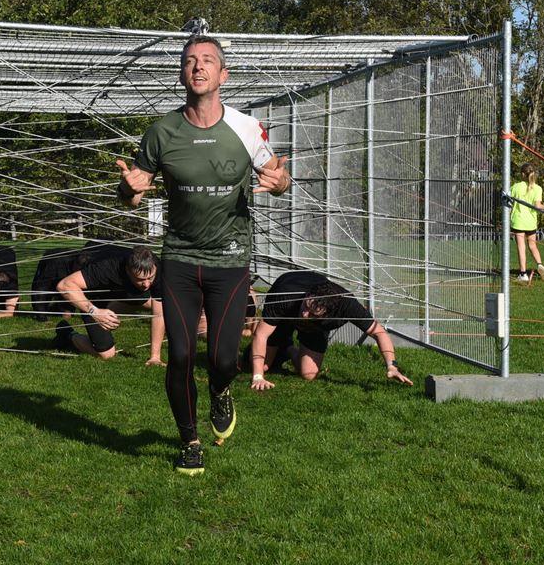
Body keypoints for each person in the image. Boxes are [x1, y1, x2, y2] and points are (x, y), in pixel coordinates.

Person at [116, 33, 290, 475]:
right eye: (190, 60)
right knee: (179, 356)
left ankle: (220, 389)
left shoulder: (247, 129)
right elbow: (132, 194)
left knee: (222, 359)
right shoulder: (161, 132)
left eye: (208, 60)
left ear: (223, 74)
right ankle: (189, 441)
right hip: (178, 259)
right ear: (181, 74)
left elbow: (278, 176)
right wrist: (128, 189)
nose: (198, 66)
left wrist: (280, 184)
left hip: (229, 261)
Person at [248, 271, 413, 389]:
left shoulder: (347, 305)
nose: (305, 315)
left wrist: (392, 366)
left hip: (315, 329)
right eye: (306, 306)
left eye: (313, 314)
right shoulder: (286, 295)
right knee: (262, 366)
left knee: (309, 374)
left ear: (328, 313)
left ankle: (287, 347)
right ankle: (279, 341)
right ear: (308, 296)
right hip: (285, 310)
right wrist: (258, 377)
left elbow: (379, 332)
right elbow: (261, 334)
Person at [53, 245, 161, 359]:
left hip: (119, 291)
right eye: (140, 279)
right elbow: (64, 285)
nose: (147, 284)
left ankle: (111, 308)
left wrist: (155, 357)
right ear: (128, 271)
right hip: (94, 298)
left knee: (155, 303)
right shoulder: (106, 268)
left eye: (150, 278)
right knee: (107, 354)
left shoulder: (157, 268)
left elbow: (159, 313)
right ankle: (67, 333)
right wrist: (95, 312)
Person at [509, 163, 544, 282]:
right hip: (531, 222)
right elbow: (538, 205)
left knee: (521, 247)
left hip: (518, 221)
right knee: (533, 245)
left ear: (522, 174)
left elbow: (509, 201)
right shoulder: (537, 188)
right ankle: (540, 265)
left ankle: (523, 274)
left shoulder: (515, 187)